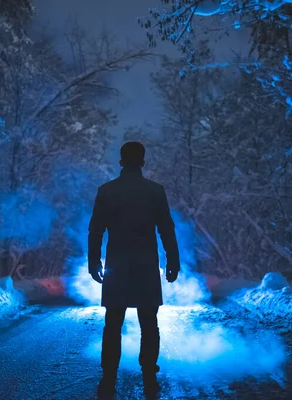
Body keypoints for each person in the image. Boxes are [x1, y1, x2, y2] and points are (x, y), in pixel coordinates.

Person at [88, 141, 180, 398]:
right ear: (142, 161)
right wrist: (173, 259)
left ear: (120, 161)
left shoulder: (107, 191)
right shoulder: (154, 191)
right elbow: (166, 228)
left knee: (112, 324)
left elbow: (96, 230)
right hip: (145, 265)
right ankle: (149, 377)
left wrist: (93, 261)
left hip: (117, 265)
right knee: (149, 323)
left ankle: (108, 379)